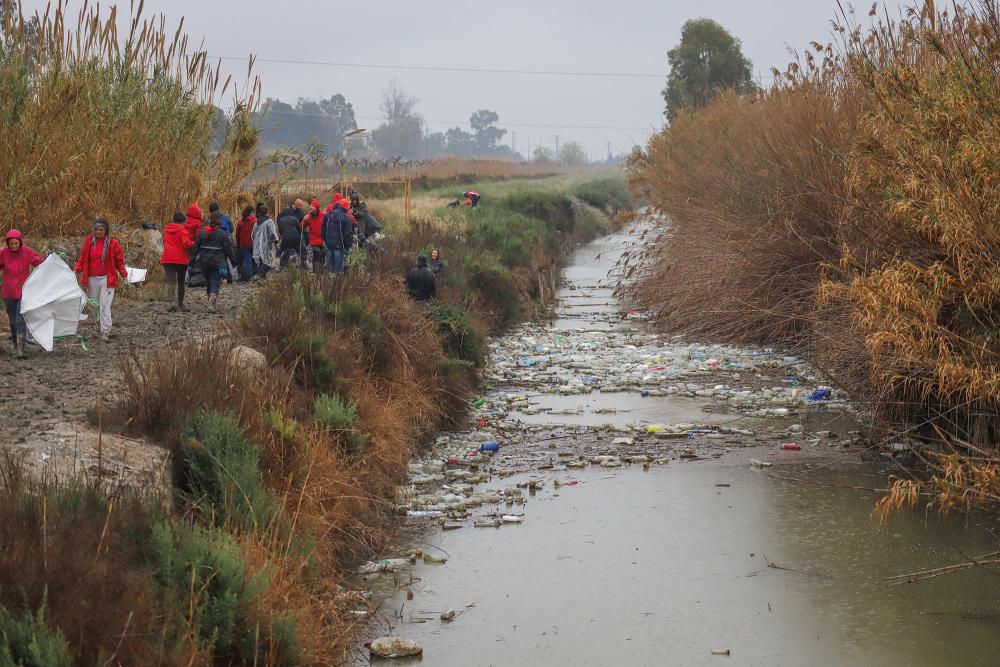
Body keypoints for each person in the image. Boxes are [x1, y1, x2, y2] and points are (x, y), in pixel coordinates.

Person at [74, 218, 127, 342]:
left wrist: (124, 274)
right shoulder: (88, 241)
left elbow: (119, 260)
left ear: (106, 230)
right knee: (95, 305)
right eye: (96, 229)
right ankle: (99, 327)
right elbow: (82, 258)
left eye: (101, 230)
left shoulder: (113, 243)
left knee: (104, 304)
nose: (98, 232)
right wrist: (76, 270)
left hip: (107, 278)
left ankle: (105, 331)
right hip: (92, 278)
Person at [0, 230, 43, 357]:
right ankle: (14, 346)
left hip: (24, 293)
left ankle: (20, 350)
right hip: (8, 293)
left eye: (16, 243)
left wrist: (49, 259)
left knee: (20, 320)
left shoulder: (27, 252)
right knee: (13, 321)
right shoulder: (3, 253)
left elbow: (39, 263)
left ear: (20, 242)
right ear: (8, 243)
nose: (13, 246)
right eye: (11, 243)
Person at [190, 211, 237, 310]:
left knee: (208, 282)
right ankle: (212, 301)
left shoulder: (202, 233)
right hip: (217, 262)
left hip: (204, 262)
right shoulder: (222, 234)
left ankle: (209, 299)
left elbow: (195, 248)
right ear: (219, 223)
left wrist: (192, 261)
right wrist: (233, 261)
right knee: (215, 281)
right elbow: (228, 249)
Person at [161, 212, 194, 311]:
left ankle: (171, 303)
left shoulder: (166, 230)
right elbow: (186, 244)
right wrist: (195, 243)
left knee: (171, 282)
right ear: (183, 221)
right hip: (180, 260)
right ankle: (180, 304)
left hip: (167, 259)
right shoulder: (183, 231)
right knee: (181, 282)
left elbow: (164, 241)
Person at [321, 199, 353, 274]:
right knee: (338, 270)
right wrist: (348, 245)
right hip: (339, 246)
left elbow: (323, 229)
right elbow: (348, 234)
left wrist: (325, 240)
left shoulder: (328, 215)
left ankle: (330, 282)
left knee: (330, 269)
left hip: (329, 245)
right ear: (346, 208)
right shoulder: (345, 218)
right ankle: (338, 282)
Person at [251, 206, 278, 279]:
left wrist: (256, 242)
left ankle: (261, 277)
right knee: (268, 262)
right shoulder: (269, 222)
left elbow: (252, 234)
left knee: (261, 261)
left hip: (257, 246)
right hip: (266, 245)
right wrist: (276, 241)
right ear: (267, 212)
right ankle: (260, 275)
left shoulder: (256, 223)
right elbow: (272, 233)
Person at [301, 198, 326, 273]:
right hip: (313, 240)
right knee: (316, 253)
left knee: (322, 255)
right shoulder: (308, 217)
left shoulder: (324, 215)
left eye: (313, 207)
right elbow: (301, 227)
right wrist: (304, 220)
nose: (311, 209)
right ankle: (316, 273)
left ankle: (320, 273)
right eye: (310, 208)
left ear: (317, 208)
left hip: (323, 239)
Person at [235, 206, 256, 281]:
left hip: (244, 244)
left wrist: (238, 242)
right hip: (254, 243)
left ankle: (248, 275)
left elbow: (237, 234)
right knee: (254, 259)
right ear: (251, 212)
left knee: (247, 260)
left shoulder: (241, 222)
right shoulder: (255, 221)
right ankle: (254, 274)